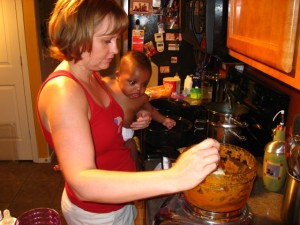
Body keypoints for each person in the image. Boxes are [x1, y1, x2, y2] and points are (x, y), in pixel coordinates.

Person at [36, 0, 220, 224]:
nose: (115, 49)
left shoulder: (91, 74)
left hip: (119, 201)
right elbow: (82, 183)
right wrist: (175, 177)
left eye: (116, 39)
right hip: (97, 215)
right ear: (77, 37)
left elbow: (101, 124)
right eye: (107, 40)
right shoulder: (64, 92)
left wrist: (132, 120)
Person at [103, 51, 176, 165]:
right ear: (118, 76)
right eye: (133, 82)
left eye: (144, 84)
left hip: (127, 136)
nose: (139, 89)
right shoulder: (108, 87)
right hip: (110, 136)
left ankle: (135, 168)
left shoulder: (141, 98)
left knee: (132, 150)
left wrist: (164, 120)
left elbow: (151, 110)